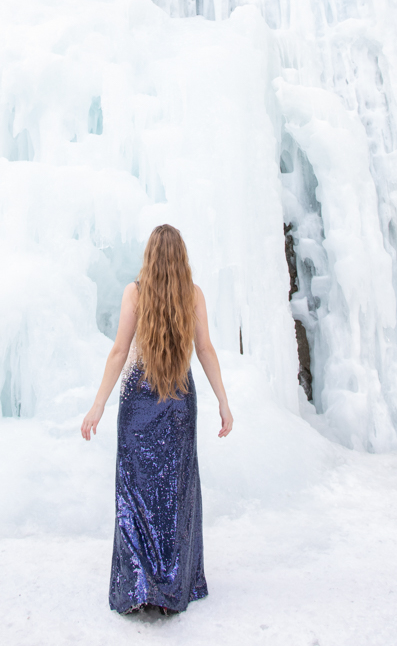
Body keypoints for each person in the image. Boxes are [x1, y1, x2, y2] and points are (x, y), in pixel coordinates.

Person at [81, 224, 233, 614]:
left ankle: (138, 589)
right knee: (174, 495)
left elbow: (118, 352)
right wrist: (223, 401)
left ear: (149, 256)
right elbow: (206, 350)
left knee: (135, 493)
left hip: (138, 403)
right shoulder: (193, 296)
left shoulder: (135, 293)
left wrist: (98, 404)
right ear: (182, 257)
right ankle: (172, 587)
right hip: (180, 403)